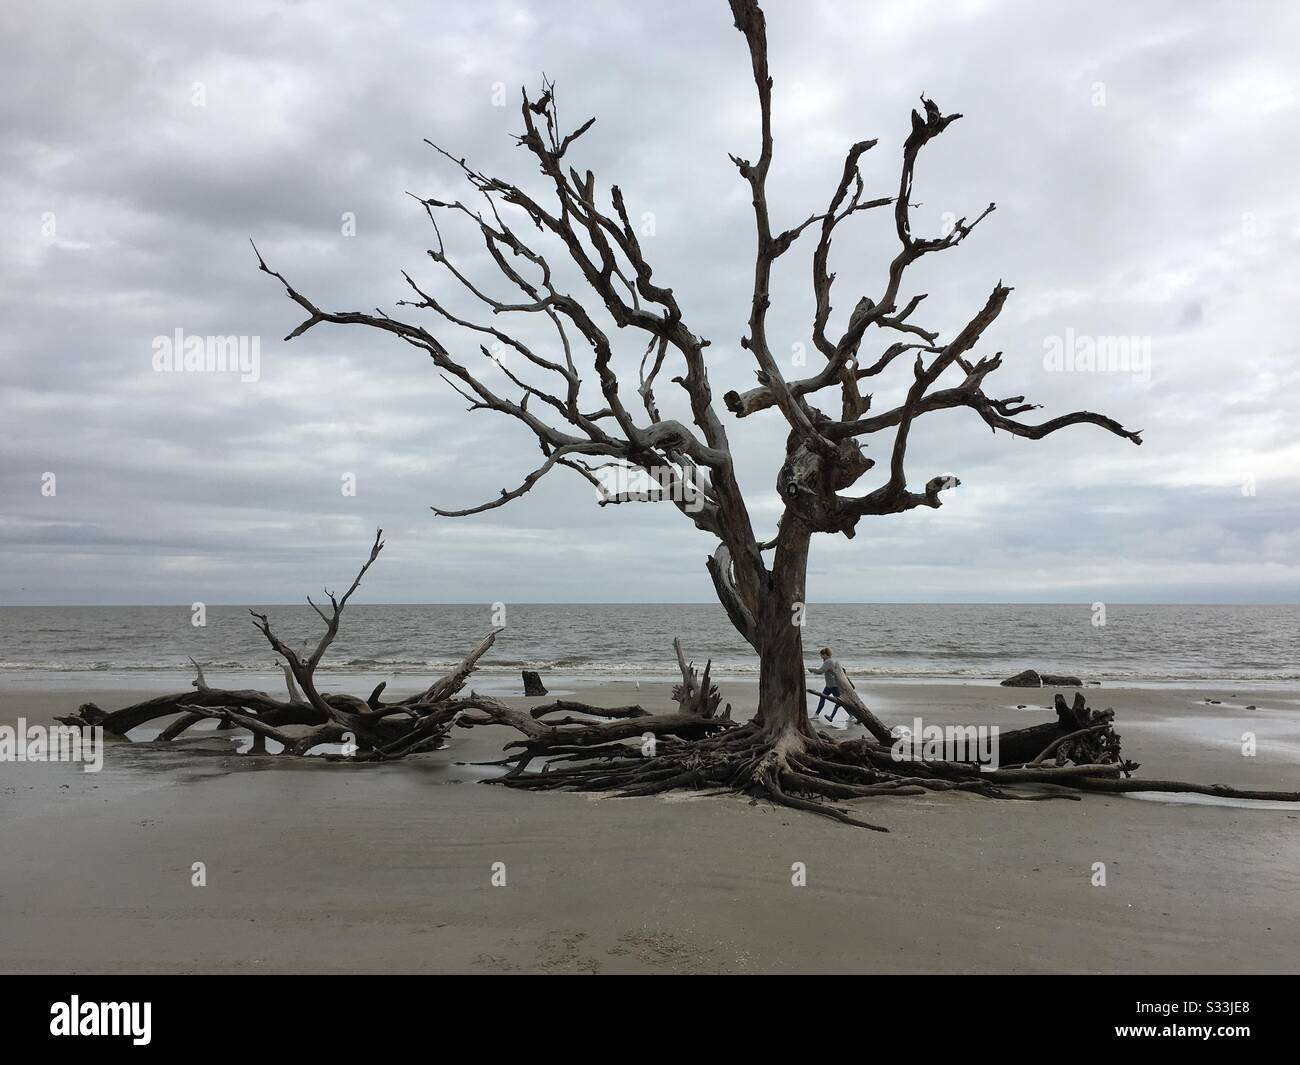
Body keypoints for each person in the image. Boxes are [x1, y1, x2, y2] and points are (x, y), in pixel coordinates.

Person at [808, 647, 843, 720]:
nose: (821, 657)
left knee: (840, 701)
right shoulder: (830, 661)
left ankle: (851, 715)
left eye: (821, 655)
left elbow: (821, 671)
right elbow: (823, 671)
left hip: (833, 685)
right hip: (829, 685)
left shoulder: (828, 661)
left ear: (825, 654)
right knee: (823, 697)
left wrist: (812, 670)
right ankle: (817, 714)